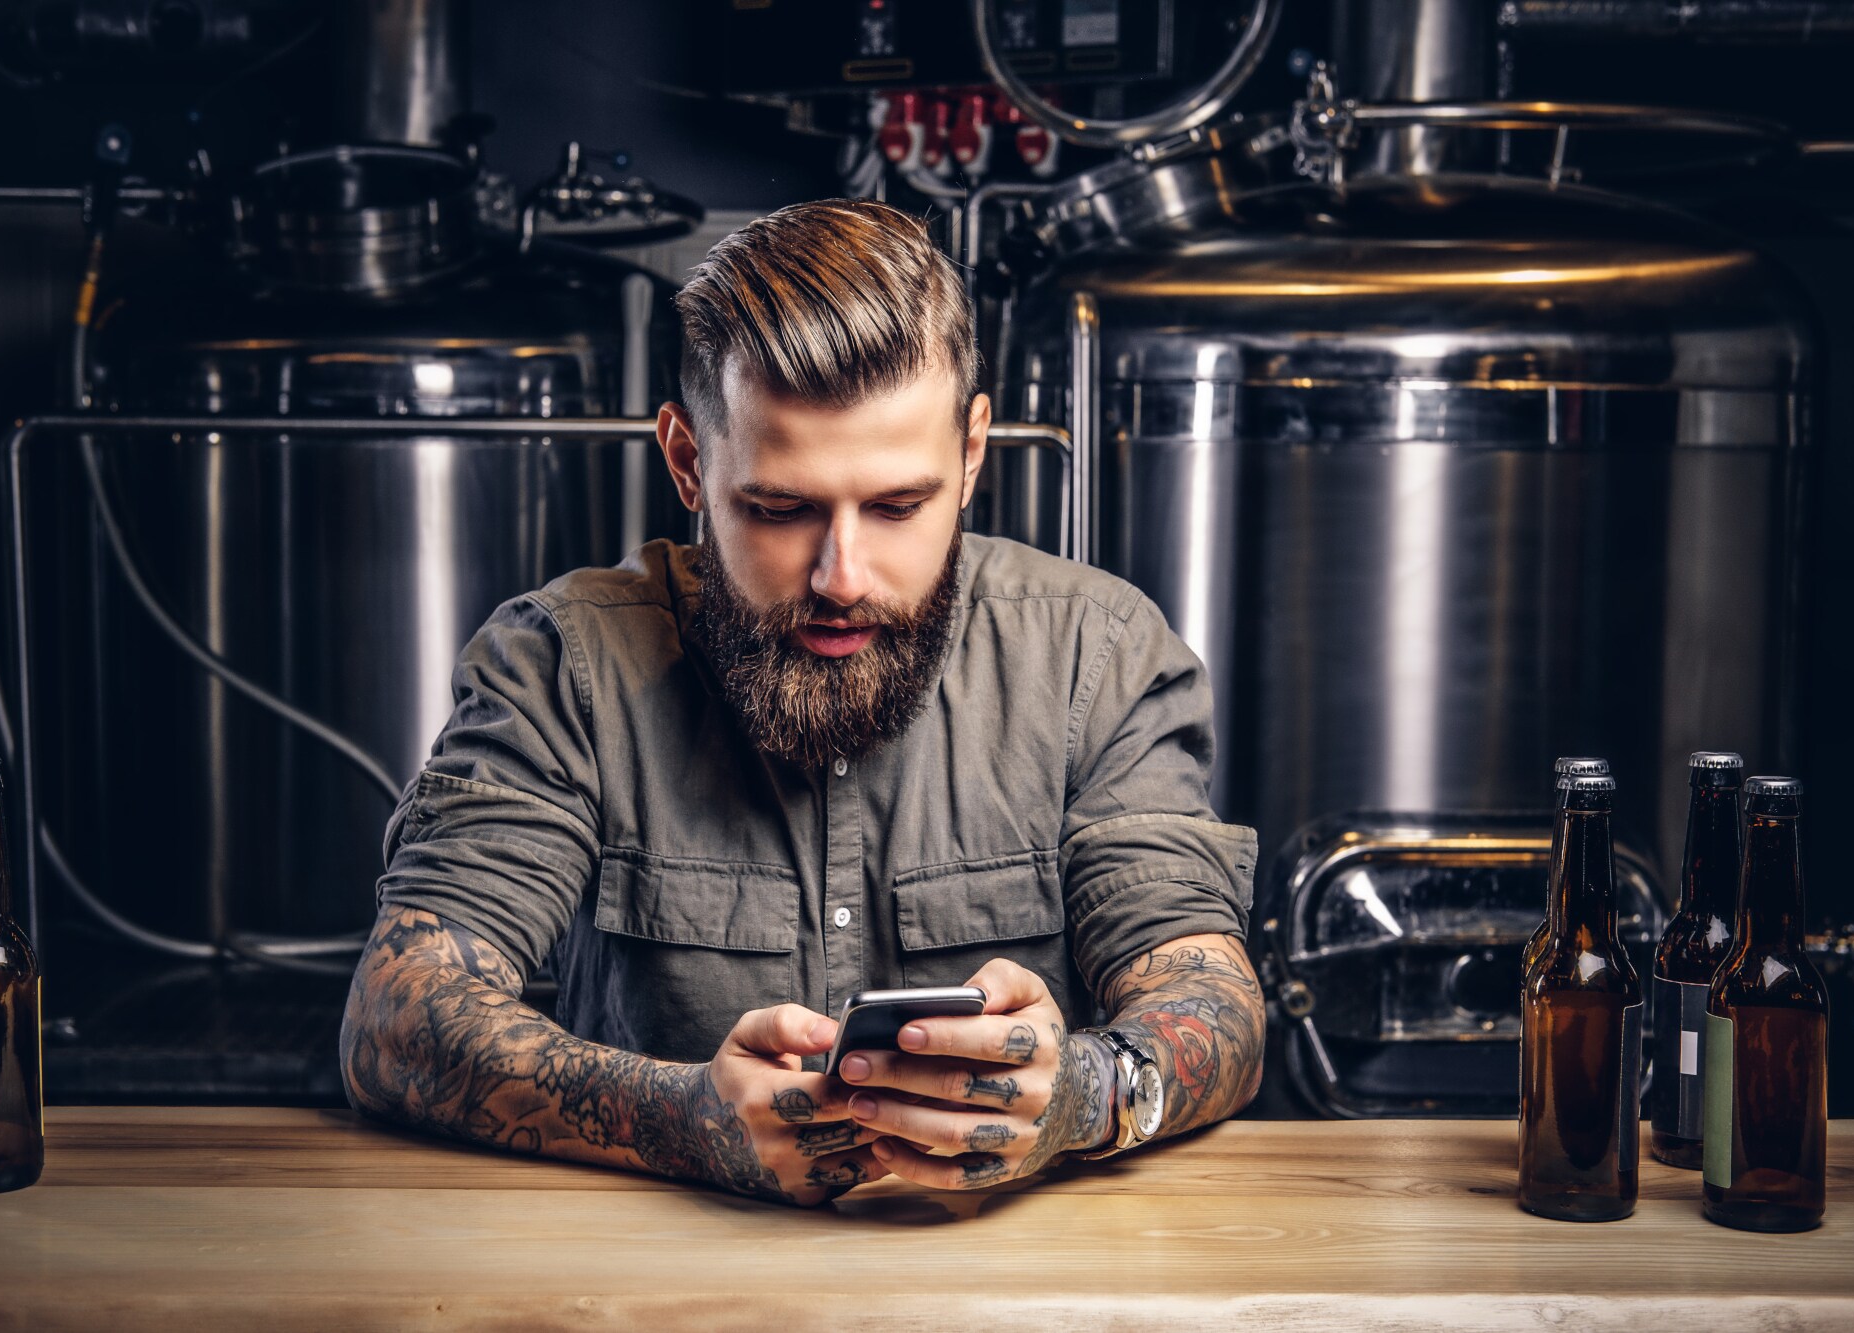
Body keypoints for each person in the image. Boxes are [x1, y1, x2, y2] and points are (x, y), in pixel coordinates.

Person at [339, 199, 1264, 1207]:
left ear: (970, 454)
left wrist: (1082, 1090)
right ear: (688, 461)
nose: (841, 575)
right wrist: (677, 1115)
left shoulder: (1099, 657)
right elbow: (396, 1014)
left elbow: (1210, 1001)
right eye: (779, 510)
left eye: (897, 507)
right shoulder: (563, 666)